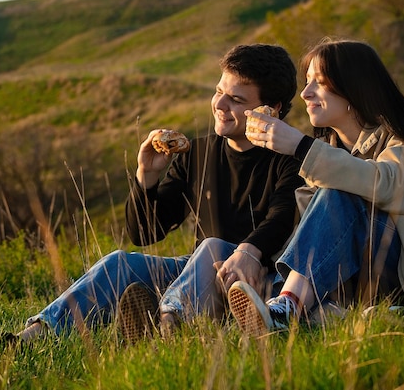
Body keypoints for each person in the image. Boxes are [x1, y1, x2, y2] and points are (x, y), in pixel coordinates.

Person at [16, 43, 304, 342]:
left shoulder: (292, 155)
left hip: (257, 284)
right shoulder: (198, 153)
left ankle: (166, 330)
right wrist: (147, 176)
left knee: (214, 247)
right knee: (120, 262)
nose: (219, 104)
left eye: (235, 99)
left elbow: (281, 217)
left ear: (271, 109)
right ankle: (33, 336)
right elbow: (145, 233)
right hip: (196, 275)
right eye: (219, 91)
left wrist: (248, 251)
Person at [227, 39, 404, 337]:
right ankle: (340, 314)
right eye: (306, 83)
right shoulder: (326, 148)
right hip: (357, 278)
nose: (305, 94)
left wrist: (301, 148)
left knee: (339, 192)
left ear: (352, 88)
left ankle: (287, 307)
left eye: (318, 83)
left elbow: (388, 186)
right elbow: (322, 238)